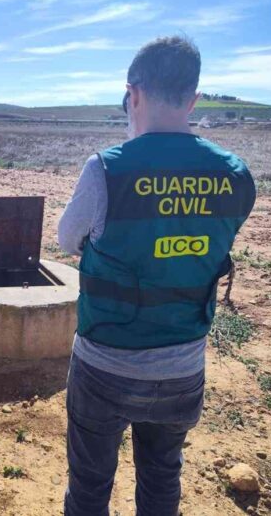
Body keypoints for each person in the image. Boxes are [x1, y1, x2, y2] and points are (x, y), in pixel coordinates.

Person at [57, 36, 255, 516]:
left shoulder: (107, 169)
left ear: (134, 93)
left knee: (89, 489)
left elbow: (67, 239)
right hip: (183, 367)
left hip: (104, 366)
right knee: (163, 480)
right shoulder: (235, 175)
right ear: (194, 98)